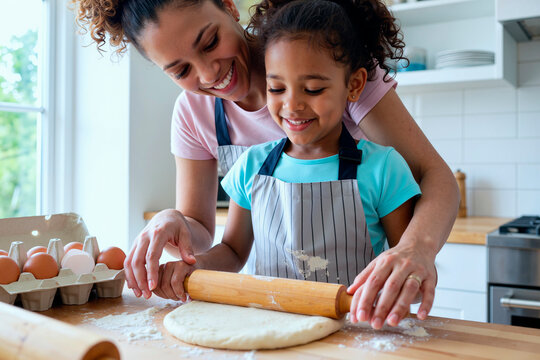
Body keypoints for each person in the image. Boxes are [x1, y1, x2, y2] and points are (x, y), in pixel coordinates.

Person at [71, 0, 459, 329]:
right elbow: (205, 232)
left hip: (357, 316)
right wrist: (171, 221)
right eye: (181, 70)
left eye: (209, 42)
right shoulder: (194, 114)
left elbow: (433, 175)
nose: (208, 74)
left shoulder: (331, 63)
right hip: (274, 316)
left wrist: (415, 249)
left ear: (227, 6)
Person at [151, 0, 422, 325]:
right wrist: (193, 268)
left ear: (353, 85)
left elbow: (408, 270)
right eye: (277, 88)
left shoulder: (384, 169)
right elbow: (234, 252)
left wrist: (400, 285)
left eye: (313, 88)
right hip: (268, 328)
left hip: (356, 333)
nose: (292, 105)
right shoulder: (252, 166)